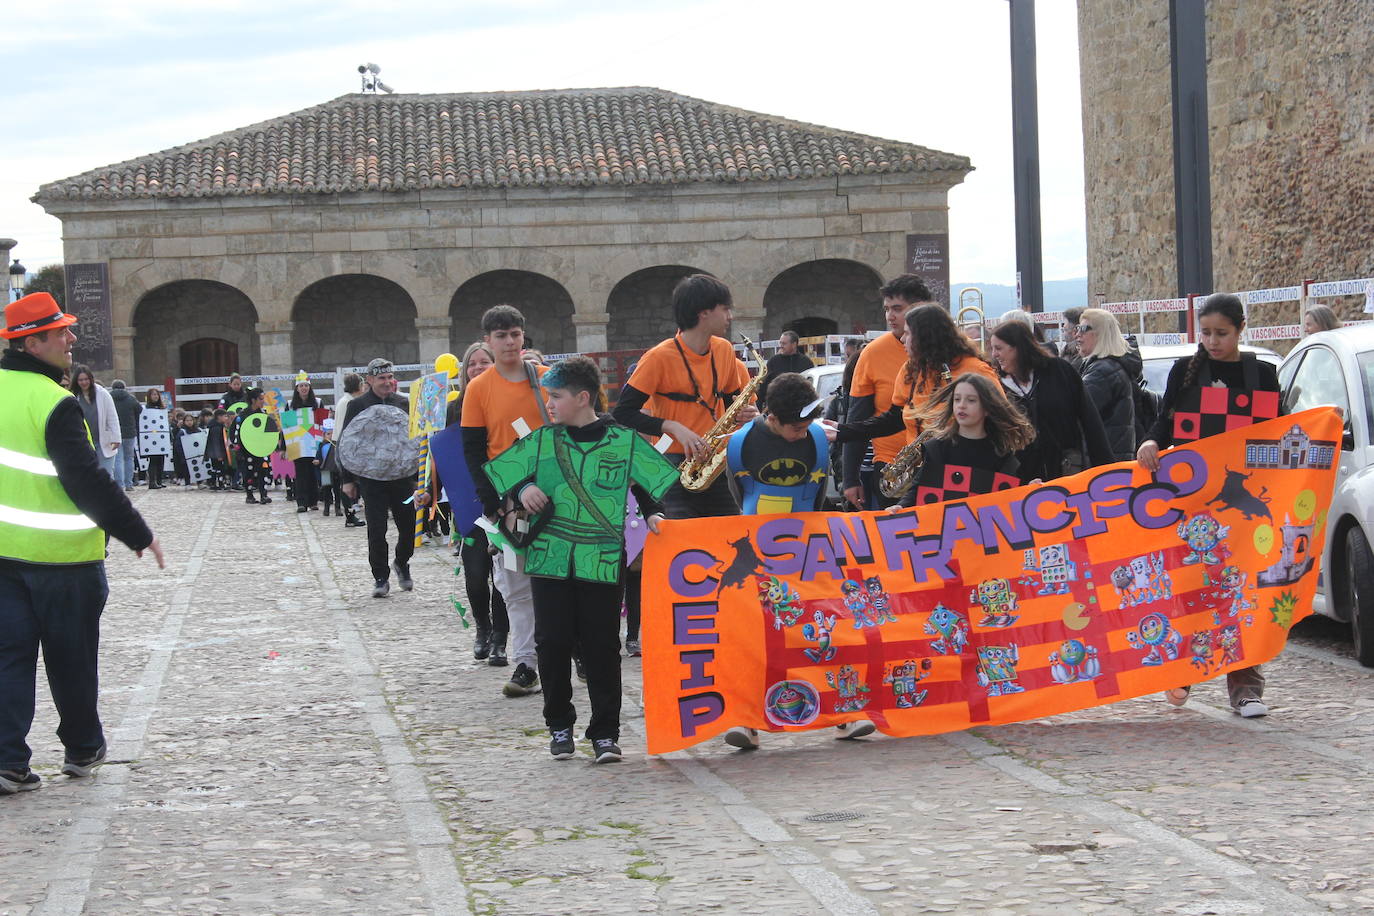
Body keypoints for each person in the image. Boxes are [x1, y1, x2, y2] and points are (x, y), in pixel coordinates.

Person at [0, 292, 164, 796]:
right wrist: (139, 533)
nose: (72, 340)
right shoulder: (54, 402)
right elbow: (87, 479)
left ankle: (7, 760)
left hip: (3, 558)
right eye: (61, 333)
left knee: (8, 660)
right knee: (71, 658)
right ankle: (82, 748)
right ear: (32, 343)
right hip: (63, 560)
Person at [483, 356, 677, 763]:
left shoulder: (623, 440)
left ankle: (605, 732)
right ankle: (559, 725)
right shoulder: (540, 440)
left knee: (602, 646)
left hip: (601, 560)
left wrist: (655, 511)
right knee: (551, 642)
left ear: (583, 397)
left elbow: (647, 483)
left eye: (556, 396)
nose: (549, 404)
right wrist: (523, 491)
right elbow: (500, 478)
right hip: (549, 559)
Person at [1136, 293, 1281, 719]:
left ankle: (1245, 687)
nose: (1213, 341)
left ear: (1240, 330)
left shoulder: (1262, 374)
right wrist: (1150, 441)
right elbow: (1165, 423)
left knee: (1241, 592)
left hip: (1243, 502)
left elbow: (1280, 430)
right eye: (1206, 333)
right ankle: (1183, 669)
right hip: (1195, 501)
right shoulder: (1185, 371)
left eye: (1222, 333)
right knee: (1192, 584)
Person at [721, 372, 877, 750]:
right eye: (795, 426)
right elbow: (737, 494)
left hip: (809, 546)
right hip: (759, 550)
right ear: (771, 417)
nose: (803, 431)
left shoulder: (818, 439)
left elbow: (820, 491)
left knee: (827, 627)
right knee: (758, 635)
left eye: (808, 423)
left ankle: (844, 711)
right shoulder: (740, 444)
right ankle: (748, 719)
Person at [611, 274, 756, 519]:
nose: (730, 316)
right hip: (671, 465)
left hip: (714, 463)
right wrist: (672, 427)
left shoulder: (724, 350)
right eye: (725, 309)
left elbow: (733, 399)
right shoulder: (658, 357)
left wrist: (746, 412)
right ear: (704, 313)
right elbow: (623, 414)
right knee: (681, 545)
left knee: (731, 543)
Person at [462, 309, 549, 695]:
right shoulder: (479, 390)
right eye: (502, 336)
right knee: (516, 588)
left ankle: (572, 650)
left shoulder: (548, 382)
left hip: (555, 495)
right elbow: (474, 451)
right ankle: (526, 664)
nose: (510, 342)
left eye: (516, 334)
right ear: (488, 341)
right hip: (508, 501)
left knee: (565, 580)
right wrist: (493, 502)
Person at [832, 304, 999, 499]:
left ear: (926, 338)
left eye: (908, 334)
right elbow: (893, 420)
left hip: (969, 473)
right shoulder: (910, 370)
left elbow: (1001, 423)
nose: (902, 339)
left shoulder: (976, 369)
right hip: (921, 473)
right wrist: (843, 431)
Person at [842, 275, 933, 510]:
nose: (890, 316)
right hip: (893, 470)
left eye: (897, 309)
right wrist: (850, 479)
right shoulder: (872, 354)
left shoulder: (952, 348)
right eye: (887, 309)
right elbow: (858, 416)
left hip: (944, 464)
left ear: (921, 308)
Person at [988, 319, 1113, 481]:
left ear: (1018, 347)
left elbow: (1090, 420)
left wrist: (1106, 471)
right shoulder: (997, 386)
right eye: (992, 348)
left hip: (1067, 473)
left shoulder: (1059, 371)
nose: (994, 354)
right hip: (1024, 482)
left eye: (998, 348)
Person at [448, 341, 509, 663]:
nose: (478, 368)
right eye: (472, 363)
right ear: (464, 370)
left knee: (502, 572)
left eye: (484, 362)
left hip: (502, 498)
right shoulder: (455, 406)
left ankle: (500, 638)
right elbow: (447, 454)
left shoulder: (505, 399)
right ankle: (482, 629)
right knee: (475, 573)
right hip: (468, 499)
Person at [339, 359, 418, 598]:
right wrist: (348, 479)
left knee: (409, 527)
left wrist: (417, 475)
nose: (387, 382)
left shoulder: (403, 403)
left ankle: (402, 562)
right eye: (381, 378)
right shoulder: (357, 406)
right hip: (371, 478)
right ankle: (380, 577)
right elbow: (347, 443)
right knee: (376, 528)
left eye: (389, 377)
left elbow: (414, 439)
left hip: (402, 477)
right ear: (370, 380)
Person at [1077, 308, 1140, 461]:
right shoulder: (1107, 367)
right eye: (1078, 328)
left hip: (1104, 464)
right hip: (1112, 460)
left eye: (1084, 329)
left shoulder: (1103, 372)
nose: (1077, 334)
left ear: (1102, 334)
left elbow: (1076, 412)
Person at [68, 365, 121, 480]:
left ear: (91, 379)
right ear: (76, 381)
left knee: (106, 475)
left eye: (86, 379)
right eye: (80, 380)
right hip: (84, 443)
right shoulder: (73, 396)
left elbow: (112, 417)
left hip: (103, 442)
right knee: (89, 476)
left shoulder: (102, 394)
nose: (84, 382)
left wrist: (116, 437)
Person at [289, 371, 324, 513]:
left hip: (313, 443)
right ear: (297, 388)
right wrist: (286, 448)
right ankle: (301, 502)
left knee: (312, 473)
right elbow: (288, 427)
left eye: (306, 386)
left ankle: (313, 501)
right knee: (300, 474)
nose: (304, 388)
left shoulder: (318, 402)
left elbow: (322, 423)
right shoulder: (290, 405)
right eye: (301, 386)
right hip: (298, 444)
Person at [232, 389, 273, 504]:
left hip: (261, 448)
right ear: (253, 400)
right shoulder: (243, 415)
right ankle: (249, 495)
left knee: (263, 470)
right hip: (247, 449)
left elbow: (268, 431)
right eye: (260, 399)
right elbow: (237, 433)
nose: (262, 401)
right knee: (249, 471)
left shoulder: (263, 413)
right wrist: (238, 450)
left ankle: (263, 494)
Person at [758, 330, 813, 406]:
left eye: (784, 343)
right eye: (780, 343)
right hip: (778, 406)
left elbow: (810, 387)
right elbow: (764, 386)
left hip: (799, 406)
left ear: (794, 345)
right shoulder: (774, 361)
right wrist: (759, 406)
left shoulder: (806, 362)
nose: (781, 346)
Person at [108, 379, 141, 491]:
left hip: (114, 433)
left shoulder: (109, 397)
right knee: (129, 458)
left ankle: (120, 485)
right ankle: (129, 484)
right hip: (130, 432)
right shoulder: (131, 398)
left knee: (118, 459)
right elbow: (139, 409)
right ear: (124, 387)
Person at [142, 387, 168, 489]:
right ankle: (152, 482)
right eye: (153, 394)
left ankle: (159, 481)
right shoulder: (146, 408)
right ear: (149, 396)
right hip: (151, 437)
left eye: (157, 394)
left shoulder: (162, 408)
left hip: (161, 437)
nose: (155, 396)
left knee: (161, 460)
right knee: (153, 460)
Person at [1058, 306, 1086, 371]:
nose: (1063, 334)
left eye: (1064, 330)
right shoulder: (1067, 354)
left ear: (1075, 331)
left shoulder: (1080, 361)